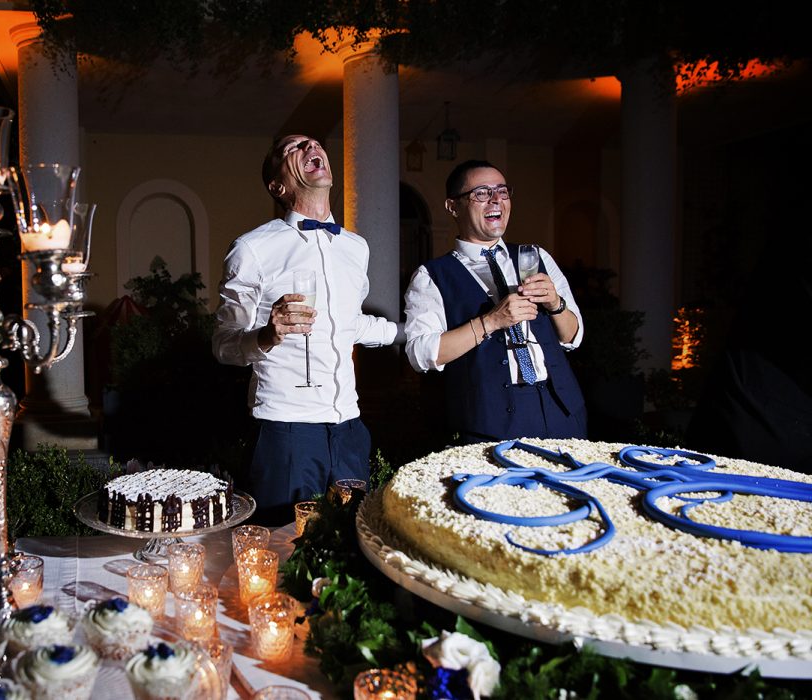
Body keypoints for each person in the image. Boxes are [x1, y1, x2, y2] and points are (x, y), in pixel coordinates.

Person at [212, 134, 400, 521]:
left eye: (313, 143)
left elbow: (349, 323)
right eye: (292, 149)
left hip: (349, 428)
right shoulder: (252, 249)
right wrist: (267, 335)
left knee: (351, 547)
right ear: (278, 186)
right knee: (284, 552)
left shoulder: (355, 247)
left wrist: (410, 333)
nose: (310, 147)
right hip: (287, 430)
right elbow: (223, 345)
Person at [404, 159, 586, 443]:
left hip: (560, 410)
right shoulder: (432, 276)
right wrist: (490, 321)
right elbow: (421, 354)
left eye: (502, 191)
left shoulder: (537, 257)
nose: (495, 200)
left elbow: (574, 336)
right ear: (453, 206)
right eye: (481, 193)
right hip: (490, 421)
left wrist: (555, 304)